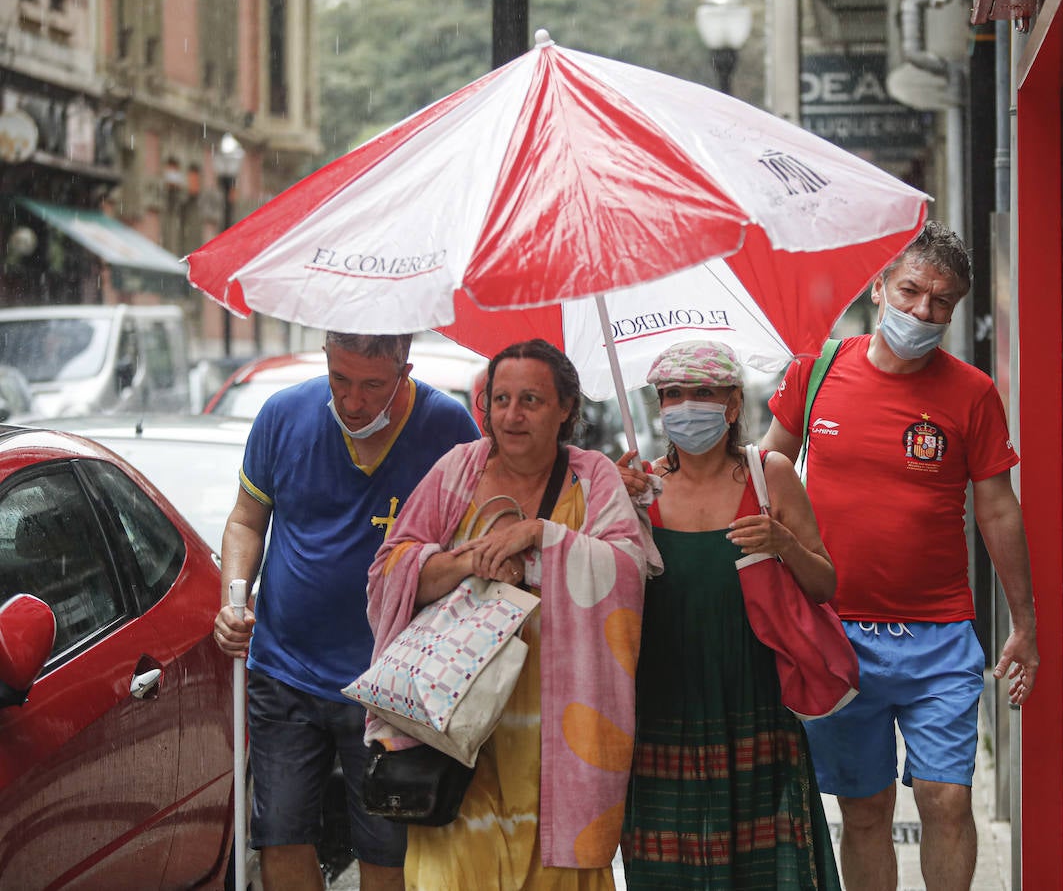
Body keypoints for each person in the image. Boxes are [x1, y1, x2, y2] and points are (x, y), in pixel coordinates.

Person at [760, 219, 1038, 891]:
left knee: (945, 799)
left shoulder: (971, 393)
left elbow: (998, 507)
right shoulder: (816, 371)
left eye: (942, 301)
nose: (924, 311)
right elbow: (767, 470)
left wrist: (1023, 621)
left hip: (939, 635)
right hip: (837, 633)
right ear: (881, 287)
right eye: (912, 290)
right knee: (864, 811)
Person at [366, 338, 653, 889]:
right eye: (500, 400)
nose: (511, 415)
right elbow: (390, 574)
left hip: (559, 735)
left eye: (531, 400)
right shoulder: (458, 471)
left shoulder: (593, 478)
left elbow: (626, 573)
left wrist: (541, 538)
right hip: (455, 726)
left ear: (566, 408)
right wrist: (472, 560)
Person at [212, 332, 481, 891]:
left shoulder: (449, 429)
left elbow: (481, 534)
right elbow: (245, 520)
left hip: (395, 684)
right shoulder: (283, 415)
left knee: (388, 847)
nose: (353, 400)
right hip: (284, 670)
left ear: (405, 369)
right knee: (280, 835)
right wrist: (233, 597)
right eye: (340, 379)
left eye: (372, 385)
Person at [616, 339, 841, 889]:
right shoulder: (638, 487)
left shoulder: (770, 475)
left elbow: (826, 584)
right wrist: (608, 504)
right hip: (662, 701)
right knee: (668, 869)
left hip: (755, 699)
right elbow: (598, 594)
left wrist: (782, 541)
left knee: (765, 868)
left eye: (703, 393)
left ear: (734, 404)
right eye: (671, 394)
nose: (685, 406)